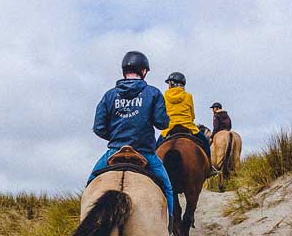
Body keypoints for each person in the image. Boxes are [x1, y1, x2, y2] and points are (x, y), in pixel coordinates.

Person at [88, 51, 175, 217]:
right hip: (145, 152)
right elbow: (162, 123)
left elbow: (99, 127)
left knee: (91, 181)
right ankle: (169, 225)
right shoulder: (153, 93)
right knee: (167, 187)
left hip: (115, 150)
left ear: (124, 71)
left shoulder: (109, 95)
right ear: (143, 71)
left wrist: (116, 135)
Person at [158, 73, 211, 159]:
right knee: (205, 142)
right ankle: (210, 166)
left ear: (172, 83)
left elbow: (163, 115)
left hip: (169, 128)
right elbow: (192, 115)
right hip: (188, 126)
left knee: (157, 147)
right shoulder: (188, 96)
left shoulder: (164, 97)